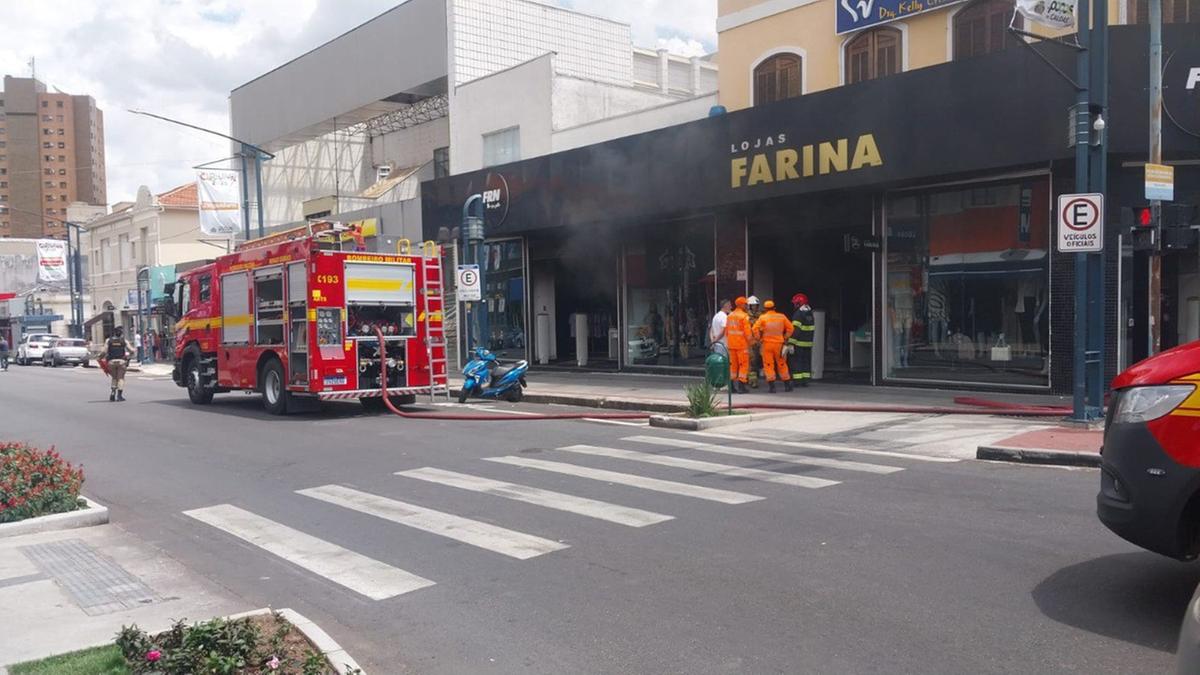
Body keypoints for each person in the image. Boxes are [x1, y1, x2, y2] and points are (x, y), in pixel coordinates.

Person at [753, 300, 794, 393]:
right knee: (782, 364)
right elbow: (791, 328)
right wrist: (785, 337)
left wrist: (758, 338)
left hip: (767, 344)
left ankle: (772, 387)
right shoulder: (781, 317)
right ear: (774, 308)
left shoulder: (762, 317)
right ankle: (787, 385)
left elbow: (755, 328)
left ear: (765, 309)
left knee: (768, 364)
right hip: (779, 344)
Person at [787, 293, 816, 387]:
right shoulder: (809, 313)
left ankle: (798, 381)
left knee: (797, 362)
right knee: (806, 362)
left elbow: (796, 330)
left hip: (799, 343)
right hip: (808, 343)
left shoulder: (798, 314)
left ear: (799, 303)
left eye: (795, 303)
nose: (794, 305)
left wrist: (791, 343)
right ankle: (805, 380)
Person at [726, 297, 753, 394]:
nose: (747, 306)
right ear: (742, 305)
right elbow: (748, 333)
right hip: (742, 345)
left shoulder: (730, 315)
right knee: (743, 365)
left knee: (733, 366)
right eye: (745, 304)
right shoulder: (744, 316)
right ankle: (742, 387)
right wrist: (752, 343)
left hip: (731, 345)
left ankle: (731, 386)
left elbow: (727, 331)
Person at [105, 327, 134, 402]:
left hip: (111, 361)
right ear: (121, 333)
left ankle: (112, 393)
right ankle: (119, 396)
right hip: (121, 361)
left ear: (114, 333)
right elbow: (131, 350)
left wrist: (100, 358)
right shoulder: (124, 341)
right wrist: (129, 355)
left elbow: (104, 351)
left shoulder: (108, 340)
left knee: (114, 378)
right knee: (120, 378)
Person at [745, 296, 762, 389]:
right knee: (751, 362)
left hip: (757, 341)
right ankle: (752, 381)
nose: (755, 307)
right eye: (753, 305)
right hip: (749, 341)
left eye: (756, 305)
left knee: (756, 362)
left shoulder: (761, 315)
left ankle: (752, 378)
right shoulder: (746, 316)